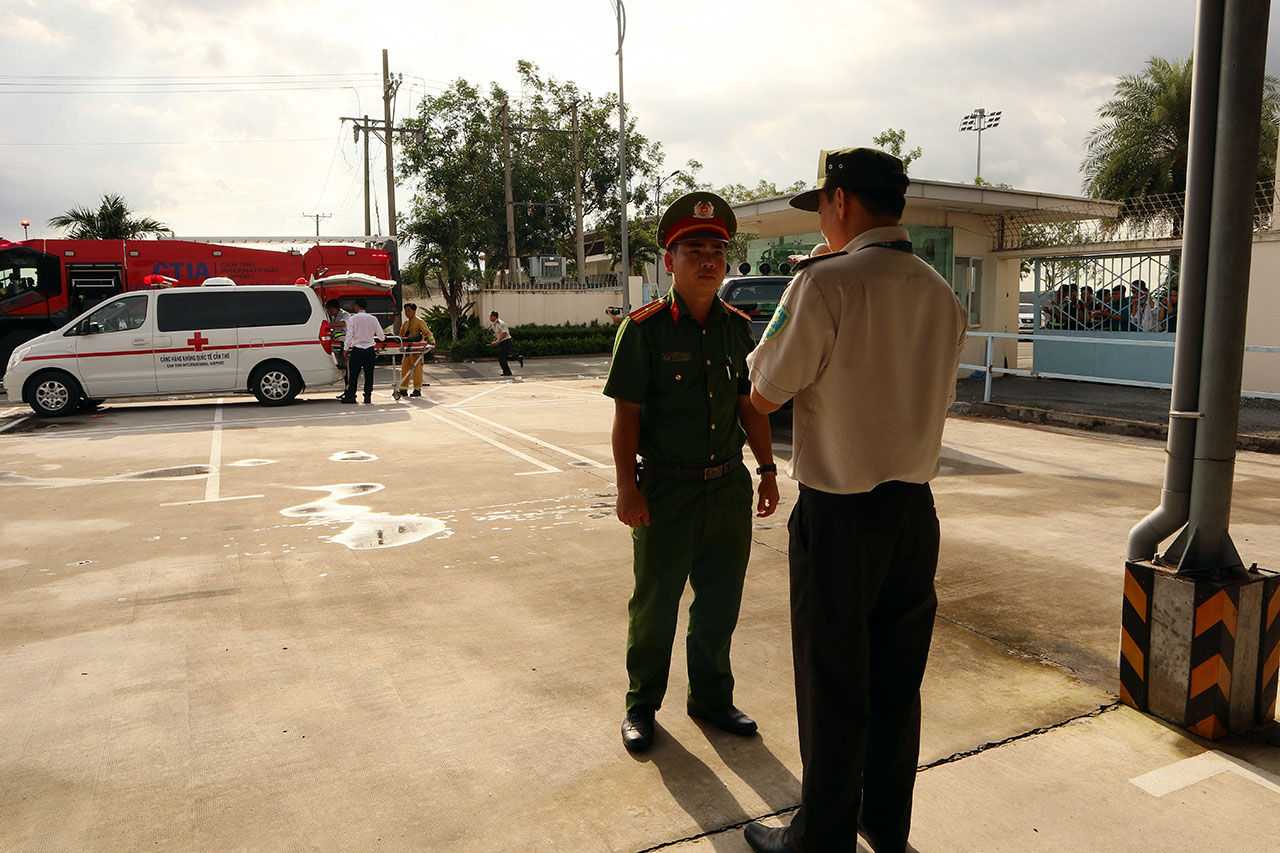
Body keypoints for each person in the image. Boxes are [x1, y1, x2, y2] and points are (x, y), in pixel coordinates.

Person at [743, 148, 966, 853]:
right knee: (898, 682)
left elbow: (764, 389)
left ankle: (825, 836)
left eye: (825, 208)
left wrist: (810, 281)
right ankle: (886, 826)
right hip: (914, 514)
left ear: (840, 202)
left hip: (841, 514)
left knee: (834, 680)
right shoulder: (940, 291)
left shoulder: (825, 284)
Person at [604, 191, 780, 754]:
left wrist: (769, 469)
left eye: (716, 251)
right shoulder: (644, 329)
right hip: (665, 490)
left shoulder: (736, 326)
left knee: (720, 601)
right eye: (693, 250)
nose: (707, 260)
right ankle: (641, 705)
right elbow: (626, 415)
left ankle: (710, 696)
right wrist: (626, 487)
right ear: (669, 260)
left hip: (727, 486)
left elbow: (747, 404)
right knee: (655, 604)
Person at [338, 299, 384, 404]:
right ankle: (367, 396)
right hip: (369, 350)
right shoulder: (373, 319)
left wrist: (345, 349)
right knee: (369, 375)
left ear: (357, 307)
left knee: (354, 375)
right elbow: (381, 336)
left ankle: (351, 396)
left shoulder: (353, 319)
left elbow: (349, 335)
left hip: (358, 350)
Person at [395, 302, 435, 396]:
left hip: (417, 350)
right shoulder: (405, 323)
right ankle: (403, 389)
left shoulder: (419, 322)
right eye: (406, 311)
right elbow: (401, 334)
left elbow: (427, 333)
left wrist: (432, 341)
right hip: (408, 349)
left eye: (409, 311)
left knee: (417, 370)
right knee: (405, 368)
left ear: (414, 311)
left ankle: (417, 389)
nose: (407, 313)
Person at [488, 310, 523, 376]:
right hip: (502, 341)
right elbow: (497, 333)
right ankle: (517, 357)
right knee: (504, 357)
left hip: (506, 341)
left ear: (494, 317)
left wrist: (497, 341)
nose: (490, 317)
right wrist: (494, 340)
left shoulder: (500, 323)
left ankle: (507, 372)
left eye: (491, 316)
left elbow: (505, 333)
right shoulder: (494, 324)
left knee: (501, 358)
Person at [325, 299, 350, 381]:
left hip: (345, 342)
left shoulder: (345, 314)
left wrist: (329, 325)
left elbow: (343, 323)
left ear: (334, 308)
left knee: (344, 366)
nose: (330, 312)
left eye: (330, 310)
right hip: (338, 342)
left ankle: (348, 386)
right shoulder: (334, 317)